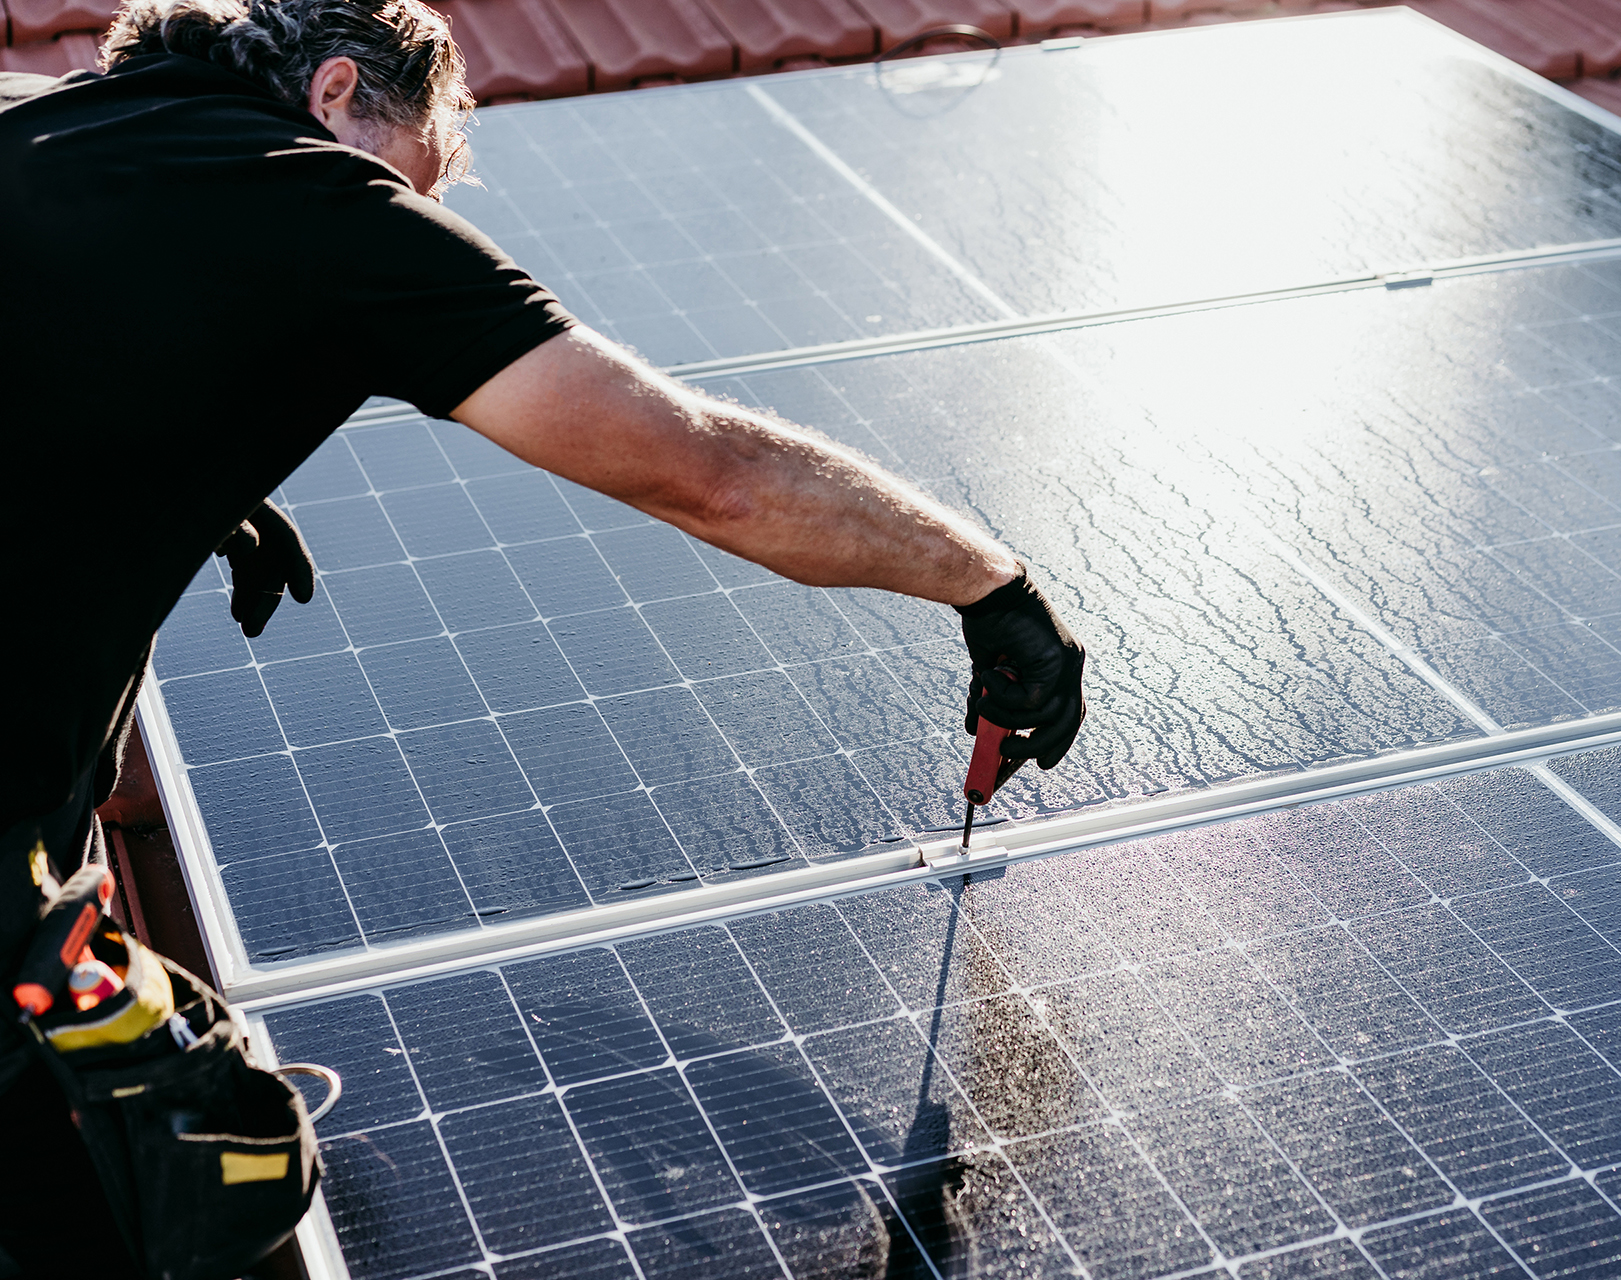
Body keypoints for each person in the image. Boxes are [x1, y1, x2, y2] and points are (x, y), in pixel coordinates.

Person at [0, 0, 1086, 1272]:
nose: (416, 208)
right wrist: (986, 583)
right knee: (170, 1176)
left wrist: (166, 457)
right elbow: (708, 473)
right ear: (339, 91)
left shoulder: (50, 114)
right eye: (416, 175)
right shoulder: (321, 204)